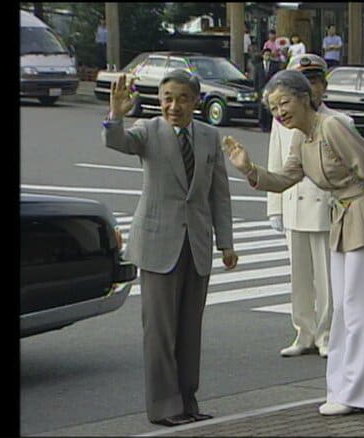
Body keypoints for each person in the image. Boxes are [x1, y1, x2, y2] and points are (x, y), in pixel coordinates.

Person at [223, 70, 364, 416]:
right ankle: (344, 389)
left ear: (305, 98)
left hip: (363, 216)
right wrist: (248, 169)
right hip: (341, 220)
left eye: (284, 103)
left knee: (358, 308)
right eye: (273, 107)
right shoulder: (301, 140)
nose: (279, 112)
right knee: (344, 310)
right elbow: (284, 179)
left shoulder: (332, 126)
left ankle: (362, 393)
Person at [102, 70, 239, 427]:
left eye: (180, 98)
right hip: (158, 244)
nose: (172, 106)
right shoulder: (149, 131)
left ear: (196, 101)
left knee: (189, 330)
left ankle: (188, 402)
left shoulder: (209, 136)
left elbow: (218, 195)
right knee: (160, 332)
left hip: (196, 245)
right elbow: (118, 142)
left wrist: (226, 242)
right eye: (166, 98)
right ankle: (165, 407)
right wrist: (116, 114)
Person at [267, 54, 355, 359]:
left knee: (326, 278)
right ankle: (303, 332)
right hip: (293, 204)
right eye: (305, 82)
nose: (312, 88)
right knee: (299, 276)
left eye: (315, 82)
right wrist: (274, 208)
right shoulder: (280, 121)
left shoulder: (337, 121)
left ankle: (326, 333)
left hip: (324, 207)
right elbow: (276, 164)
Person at [254, 48, 281, 132]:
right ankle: (262, 124)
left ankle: (269, 125)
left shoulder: (274, 66)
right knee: (262, 108)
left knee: (270, 107)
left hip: (271, 90)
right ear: (263, 56)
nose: (267, 56)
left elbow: (277, 78)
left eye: (269, 55)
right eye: (266, 55)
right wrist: (255, 91)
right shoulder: (258, 66)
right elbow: (256, 79)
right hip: (261, 90)